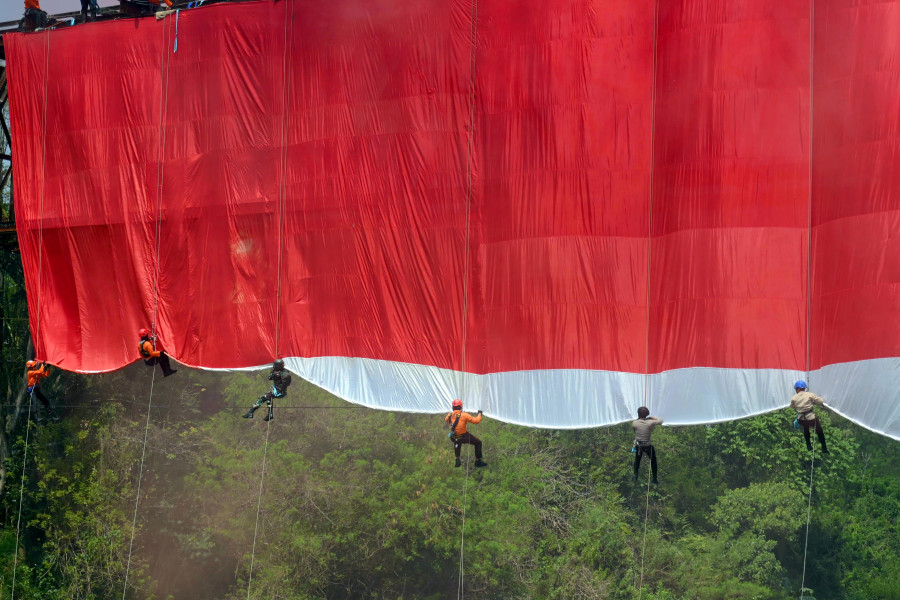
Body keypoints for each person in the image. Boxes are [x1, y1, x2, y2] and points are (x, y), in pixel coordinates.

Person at [445, 399, 487, 468]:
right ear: (461, 407)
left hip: (454, 437)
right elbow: (476, 421)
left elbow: (446, 419)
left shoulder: (449, 415)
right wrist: (479, 414)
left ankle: (457, 459)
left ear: (453, 407)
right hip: (464, 437)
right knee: (478, 443)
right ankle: (478, 461)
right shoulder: (464, 415)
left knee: (457, 442)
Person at [790, 380, 828, 454]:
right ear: (804, 388)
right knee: (819, 431)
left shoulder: (794, 398)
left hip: (801, 419)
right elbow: (820, 401)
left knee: (806, 429)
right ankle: (824, 447)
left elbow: (793, 406)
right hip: (811, 418)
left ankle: (808, 445)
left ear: (797, 389)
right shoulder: (810, 395)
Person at [632, 406, 662, 484]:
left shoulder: (634, 423)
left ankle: (635, 475)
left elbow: (635, 430)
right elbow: (661, 421)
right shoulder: (650, 422)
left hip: (639, 446)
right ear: (646, 414)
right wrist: (652, 418)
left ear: (638, 414)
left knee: (637, 460)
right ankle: (654, 478)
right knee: (653, 460)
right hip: (648, 446)